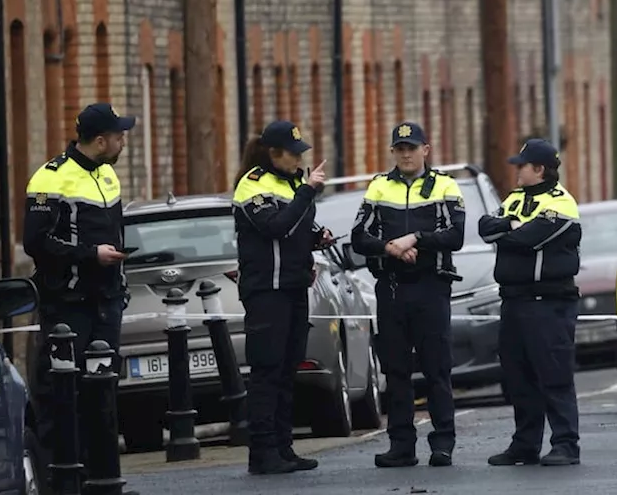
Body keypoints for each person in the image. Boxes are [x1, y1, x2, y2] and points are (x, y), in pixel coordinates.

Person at [24, 103, 136, 491]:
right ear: (101, 140)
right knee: (63, 396)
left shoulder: (108, 175)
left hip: (106, 301)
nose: (124, 141)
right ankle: (65, 483)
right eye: (119, 136)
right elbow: (35, 242)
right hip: (68, 305)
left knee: (102, 393)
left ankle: (105, 481)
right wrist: (91, 255)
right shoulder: (50, 178)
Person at [350, 121, 465, 468]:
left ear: (425, 151)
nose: (405, 154)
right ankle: (401, 445)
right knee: (396, 371)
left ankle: (442, 443)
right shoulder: (379, 187)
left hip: (431, 286)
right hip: (393, 288)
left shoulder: (444, 185)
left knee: (436, 368)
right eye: (399, 148)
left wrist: (415, 238)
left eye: (412, 148)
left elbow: (454, 235)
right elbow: (358, 237)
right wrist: (391, 249)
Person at [231, 120, 334, 475]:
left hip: (294, 287)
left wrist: (317, 236)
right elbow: (275, 227)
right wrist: (307, 193)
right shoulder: (253, 185)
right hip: (267, 292)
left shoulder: (292, 184)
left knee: (289, 370)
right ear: (273, 153)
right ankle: (262, 452)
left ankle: (283, 447)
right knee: (268, 372)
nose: (298, 160)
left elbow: (295, 229)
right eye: (292, 154)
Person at [478, 138, 583, 467]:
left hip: (548, 303)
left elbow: (529, 239)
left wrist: (510, 231)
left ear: (539, 169)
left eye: (521, 165)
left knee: (554, 375)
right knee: (518, 377)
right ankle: (525, 444)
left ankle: (566, 444)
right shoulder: (515, 199)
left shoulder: (562, 202)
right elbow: (485, 228)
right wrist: (511, 225)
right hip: (514, 301)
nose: (516, 170)